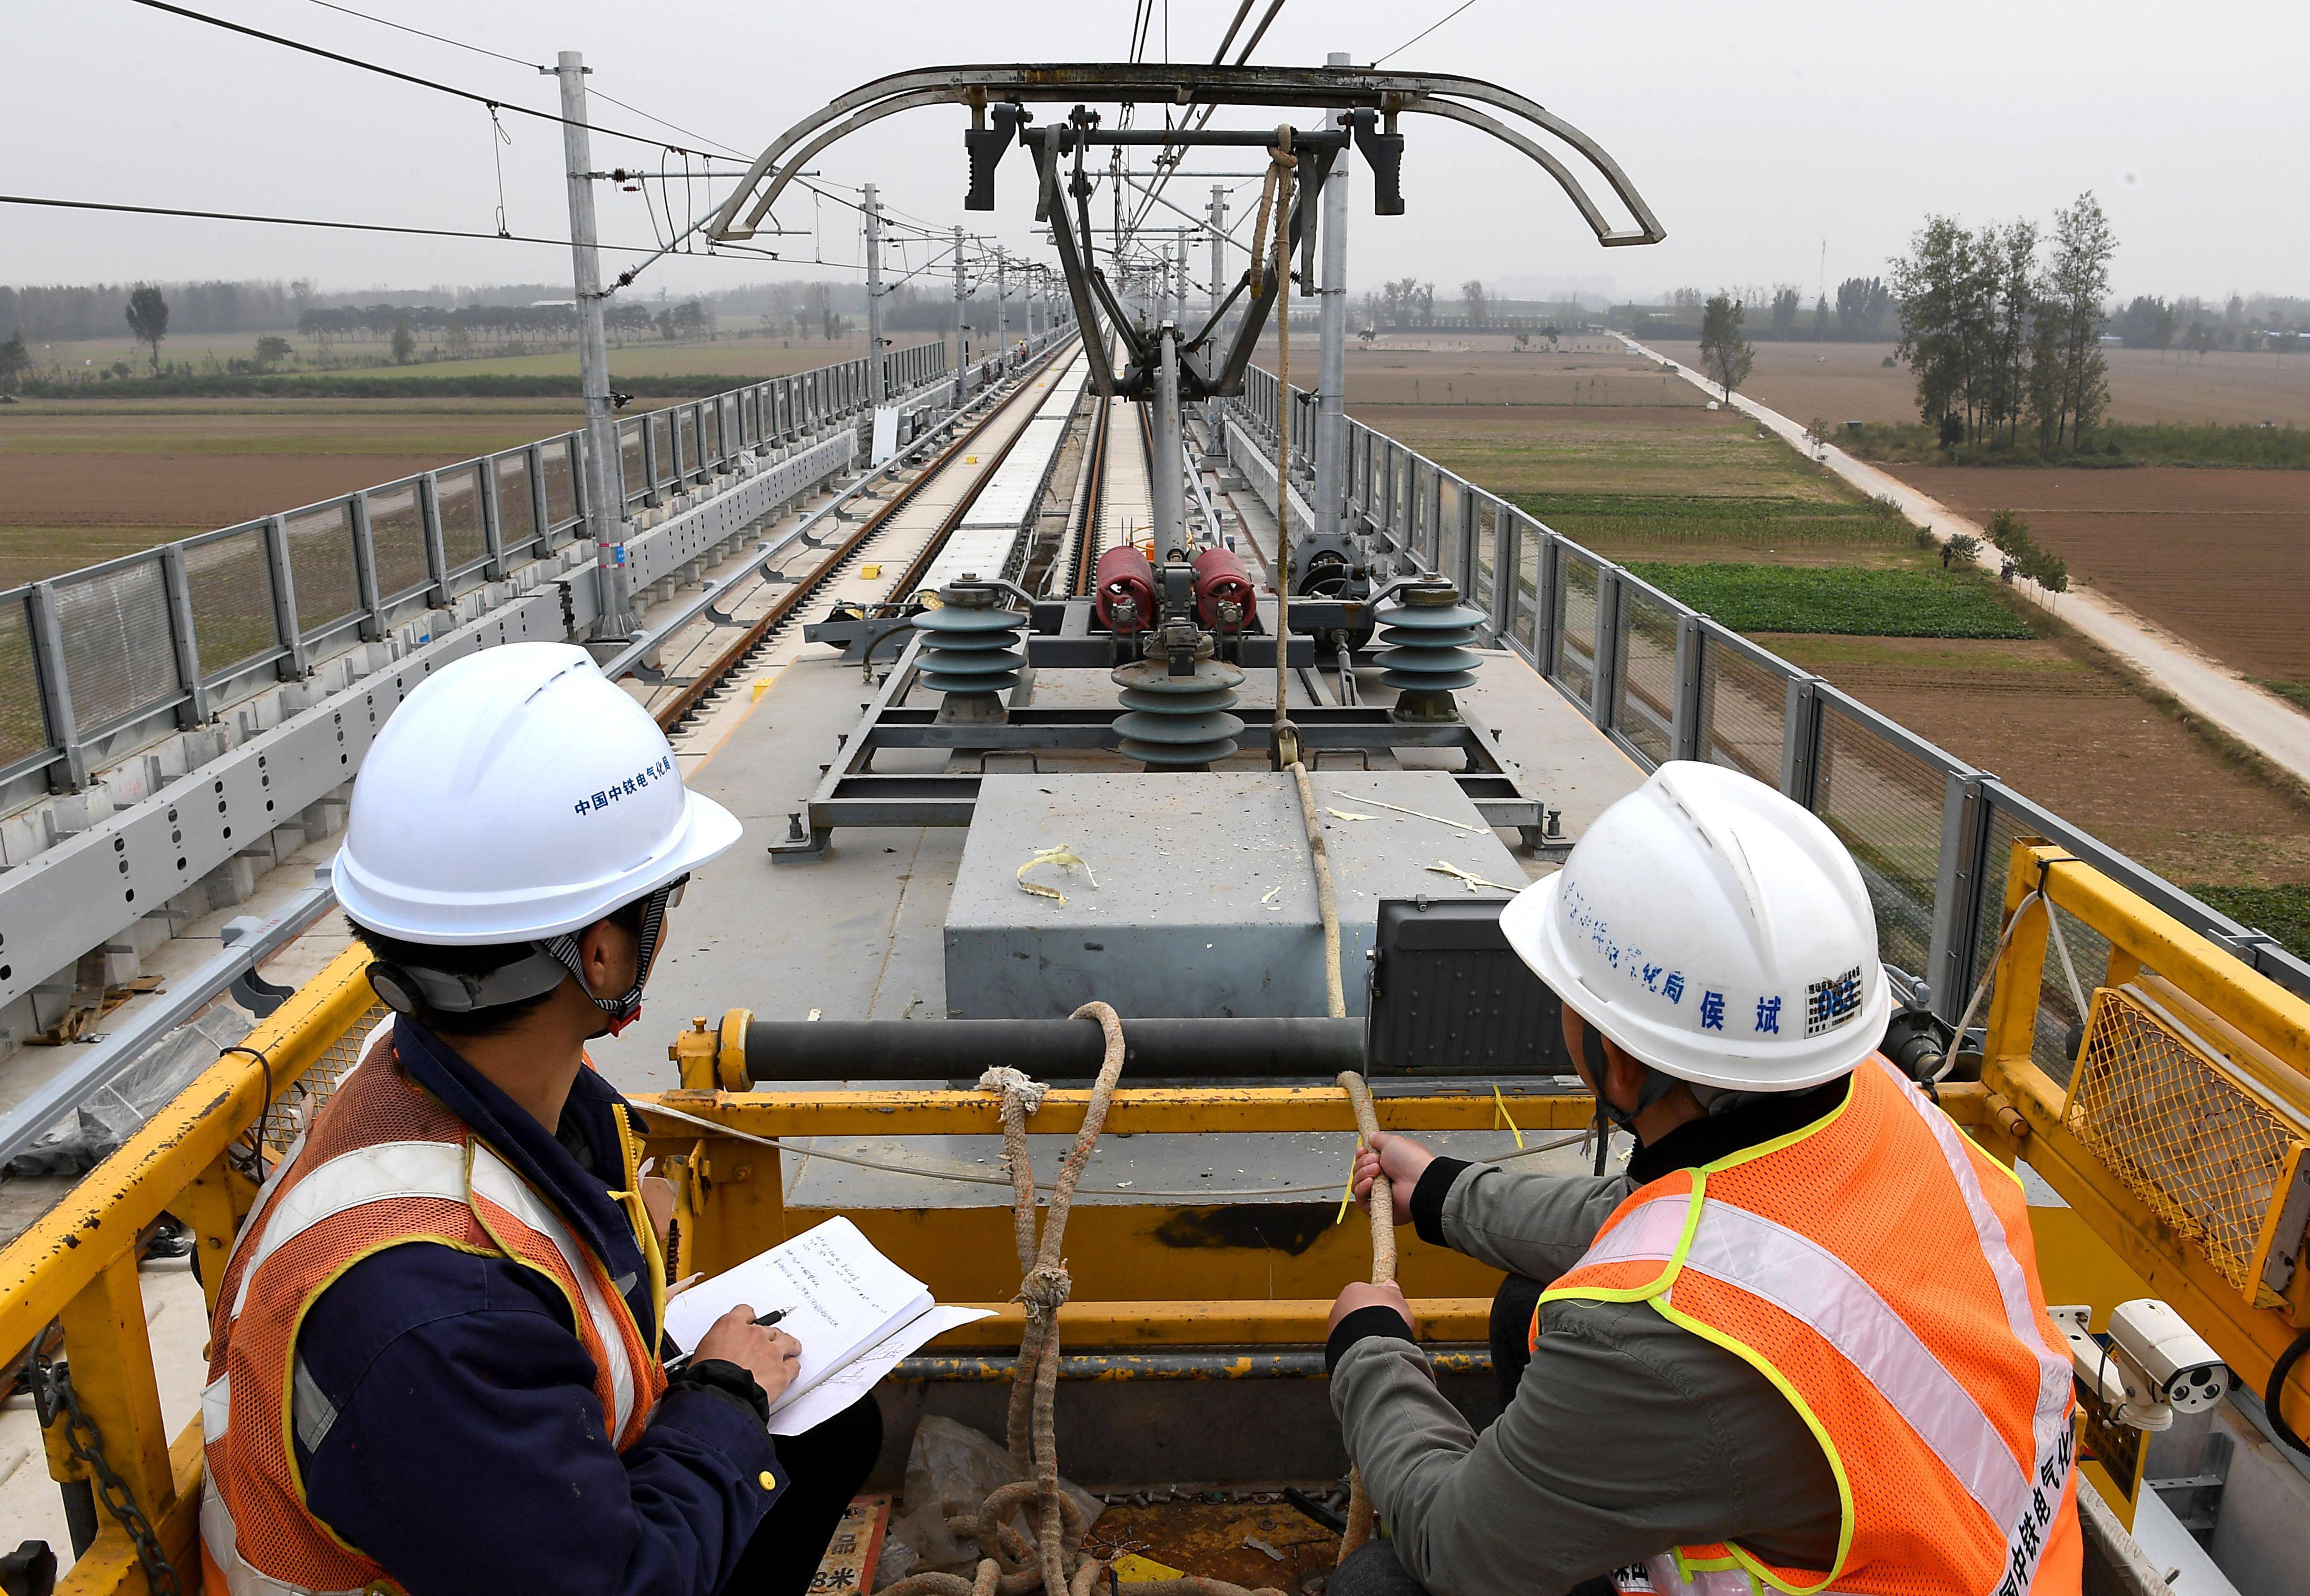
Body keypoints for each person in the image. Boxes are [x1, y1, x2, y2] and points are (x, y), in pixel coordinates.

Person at [202, 643, 881, 1596]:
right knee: (782, 1436)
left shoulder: (418, 1081)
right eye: (662, 900)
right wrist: (723, 1395)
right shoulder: (435, 1314)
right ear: (600, 956)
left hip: (481, 1512)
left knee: (832, 1423)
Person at [1325, 761, 2081, 1596]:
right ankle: (1558, 1492)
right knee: (1523, 1308)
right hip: (1994, 1559)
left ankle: (1550, 1501)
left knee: (1379, 1585)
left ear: (1615, 1064)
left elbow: (1460, 1547)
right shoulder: (1868, 1098)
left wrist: (1369, 1349)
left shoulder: (1654, 1348)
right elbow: (1692, 1231)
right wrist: (1442, 1193)